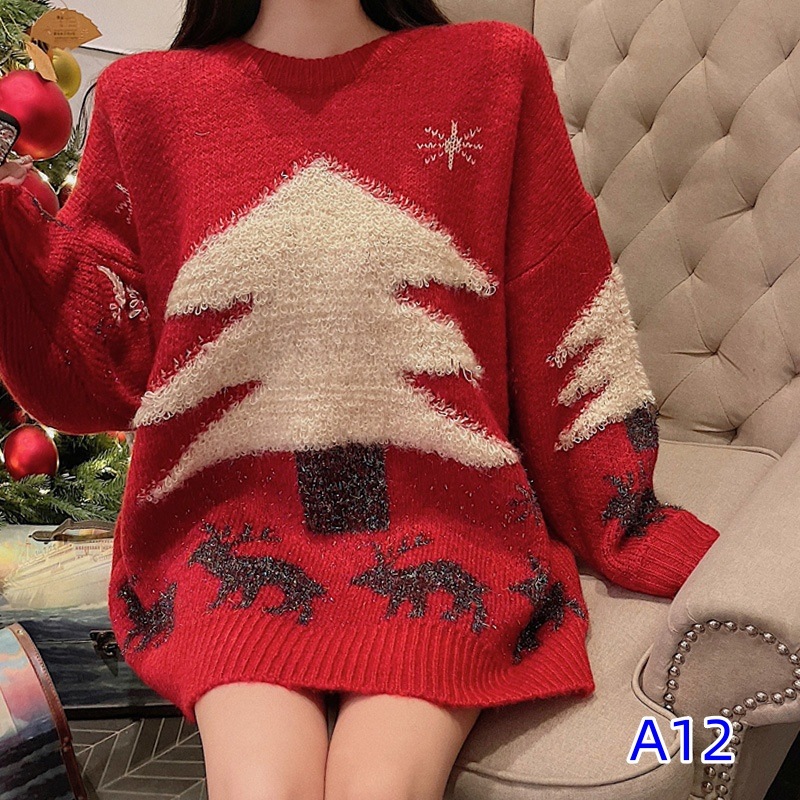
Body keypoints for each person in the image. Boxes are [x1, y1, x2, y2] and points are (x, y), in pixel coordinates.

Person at [0, 0, 721, 798]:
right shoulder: (145, 101)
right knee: (261, 789)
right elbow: (96, 366)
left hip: (449, 537)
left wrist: (623, 520)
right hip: (225, 548)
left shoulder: (491, 72)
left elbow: (559, 308)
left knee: (381, 788)